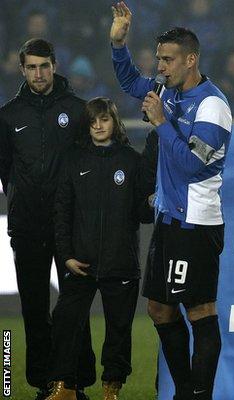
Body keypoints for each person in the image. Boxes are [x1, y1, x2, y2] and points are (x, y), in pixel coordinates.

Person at [109, 2, 231, 399]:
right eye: (158, 59)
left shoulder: (212, 106)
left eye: (168, 59)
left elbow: (193, 167)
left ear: (191, 59)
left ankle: (199, 395)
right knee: (159, 309)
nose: (160, 67)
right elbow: (130, 83)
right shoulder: (166, 90)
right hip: (170, 218)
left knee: (199, 311)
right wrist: (118, 43)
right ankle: (186, 391)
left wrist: (161, 123)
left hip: (196, 221)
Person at [0, 38, 95, 400]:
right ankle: (44, 384)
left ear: (54, 66)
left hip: (70, 227)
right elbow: (5, 169)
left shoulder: (78, 110)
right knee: (34, 309)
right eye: (31, 67)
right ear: (22, 70)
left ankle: (75, 383)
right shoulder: (8, 116)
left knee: (74, 307)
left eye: (44, 66)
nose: (38, 74)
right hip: (27, 227)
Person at [47, 97, 145, 400]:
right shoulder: (73, 160)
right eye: (92, 121)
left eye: (104, 119)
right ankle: (66, 386)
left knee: (119, 330)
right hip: (81, 263)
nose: (98, 126)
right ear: (86, 125)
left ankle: (111, 389)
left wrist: (158, 201)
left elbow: (143, 212)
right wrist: (66, 256)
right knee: (65, 322)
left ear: (114, 121)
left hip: (121, 263)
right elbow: (61, 212)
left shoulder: (132, 160)